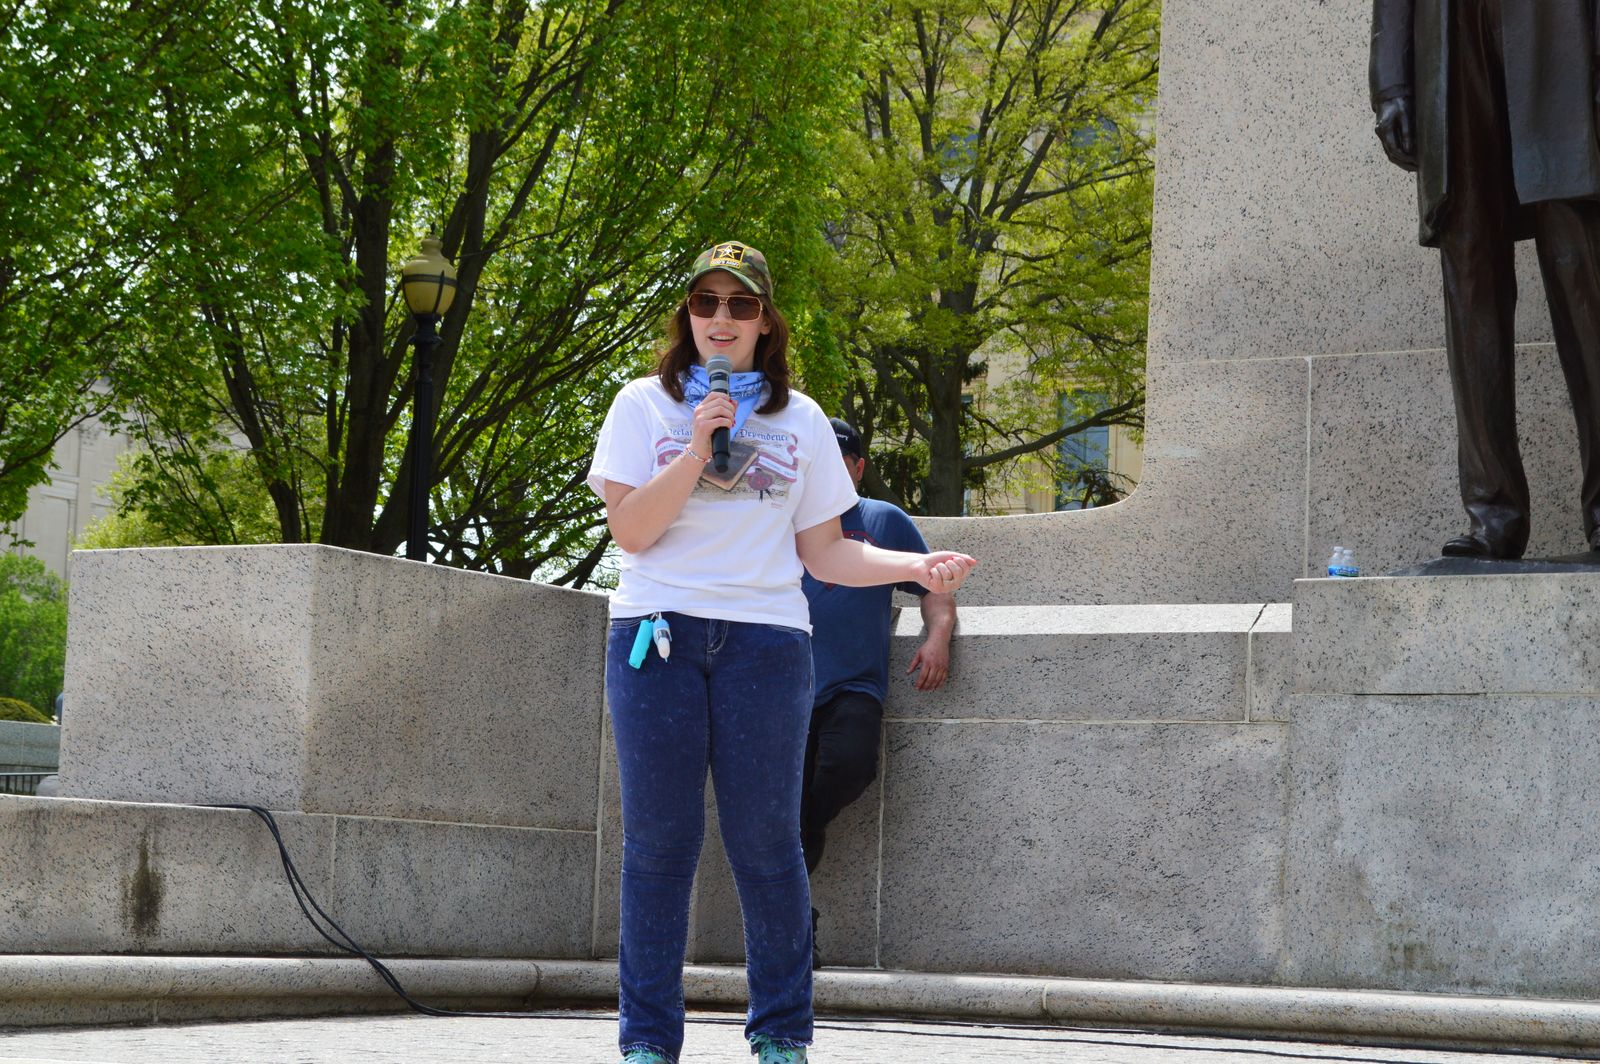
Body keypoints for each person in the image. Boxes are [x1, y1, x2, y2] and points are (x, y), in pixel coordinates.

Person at [587, 240, 977, 1064]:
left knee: (767, 843)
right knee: (659, 847)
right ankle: (647, 1044)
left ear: (766, 320)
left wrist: (915, 568)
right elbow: (632, 531)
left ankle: (781, 1036)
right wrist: (697, 449)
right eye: (706, 302)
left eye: (741, 304)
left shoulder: (800, 419)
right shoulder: (641, 405)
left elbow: (826, 553)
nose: (721, 319)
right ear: (688, 315)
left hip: (766, 643)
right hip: (656, 636)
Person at [1370, 0, 1600, 558]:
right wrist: (1392, 83)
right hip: (1449, 34)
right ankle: (1492, 511)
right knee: (1470, 269)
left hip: (1559, 29)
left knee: (1580, 268)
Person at [800, 418, 956, 965]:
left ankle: (796, 832)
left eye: (839, 461)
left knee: (849, 768)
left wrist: (937, 638)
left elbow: (934, 589)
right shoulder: (779, 520)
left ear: (859, 467)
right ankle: (794, 930)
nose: (827, 471)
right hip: (780, 690)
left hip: (852, 686)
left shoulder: (882, 520)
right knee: (782, 811)